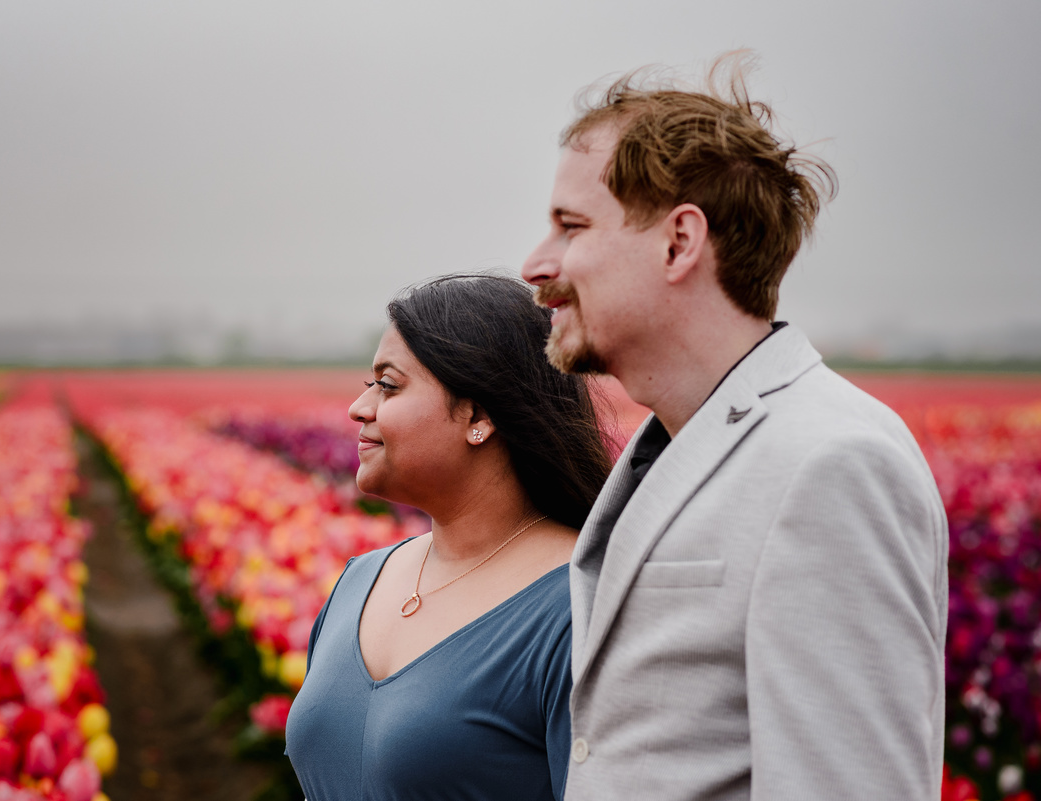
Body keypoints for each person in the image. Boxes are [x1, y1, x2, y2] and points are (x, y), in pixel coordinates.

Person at [520, 54, 948, 799]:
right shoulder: (676, 441)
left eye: (571, 226)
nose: (535, 263)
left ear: (680, 242)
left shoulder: (831, 460)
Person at [285, 274, 613, 800]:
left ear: (478, 415)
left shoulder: (579, 607)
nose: (359, 408)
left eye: (388, 385)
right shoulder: (360, 581)